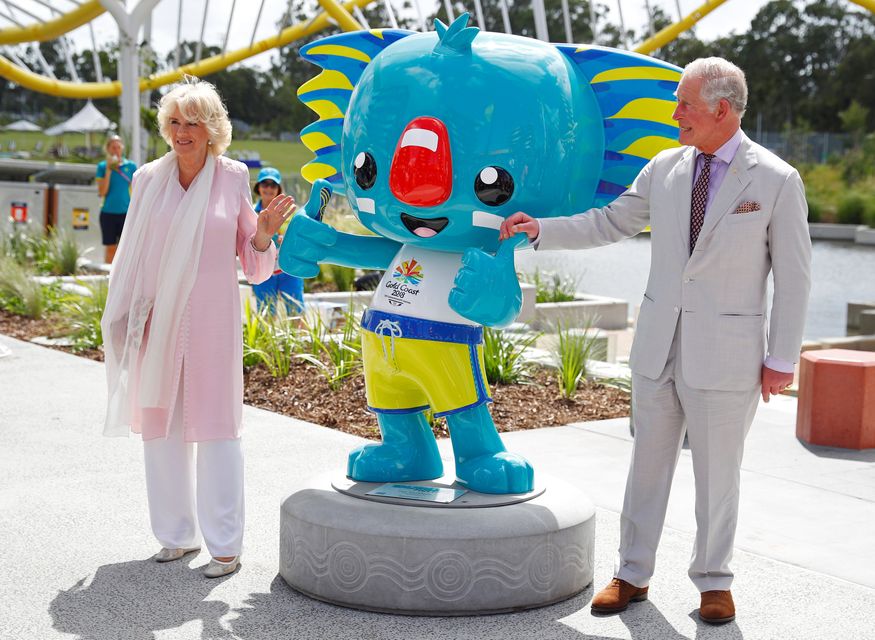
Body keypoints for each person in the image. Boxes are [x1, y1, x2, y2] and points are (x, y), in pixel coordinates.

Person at [500, 57, 811, 624]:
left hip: (728, 357)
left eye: (684, 105)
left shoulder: (776, 179)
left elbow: (794, 277)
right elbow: (608, 222)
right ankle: (631, 574)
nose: (674, 115)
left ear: (721, 109)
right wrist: (541, 230)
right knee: (646, 466)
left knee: (719, 476)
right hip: (656, 348)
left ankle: (714, 582)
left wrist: (781, 357)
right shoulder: (663, 167)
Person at [100, 77, 295, 578]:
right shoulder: (146, 179)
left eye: (193, 123)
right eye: (174, 122)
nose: (182, 132)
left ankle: (225, 546)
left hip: (211, 322)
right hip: (154, 319)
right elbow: (132, 254)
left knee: (217, 430)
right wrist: (124, 319)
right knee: (159, 428)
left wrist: (264, 237)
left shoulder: (231, 178)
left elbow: (255, 268)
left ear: (212, 130)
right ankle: (175, 536)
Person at [251, 167, 304, 311]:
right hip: (262, 270)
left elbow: (299, 238)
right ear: (258, 187)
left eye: (273, 185)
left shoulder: (290, 211)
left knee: (295, 311)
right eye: (265, 184)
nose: (268, 188)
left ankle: (297, 335)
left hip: (289, 269)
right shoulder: (250, 213)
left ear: (278, 188)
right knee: (266, 313)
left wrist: (288, 240)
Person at [95, 135, 137, 264]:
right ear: (107, 149)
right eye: (113, 147)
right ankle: (108, 277)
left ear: (122, 148)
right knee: (111, 248)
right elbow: (102, 192)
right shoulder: (102, 167)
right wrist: (109, 170)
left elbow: (136, 190)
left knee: (125, 249)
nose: (116, 150)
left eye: (118, 147)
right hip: (108, 213)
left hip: (126, 213)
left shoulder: (131, 166)